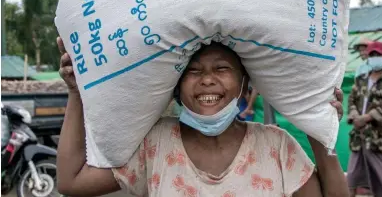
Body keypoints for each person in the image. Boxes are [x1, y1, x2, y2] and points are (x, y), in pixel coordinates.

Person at [56, 37, 348, 197]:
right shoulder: (156, 144)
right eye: (193, 71)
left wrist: (319, 125)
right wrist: (75, 93)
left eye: (222, 69)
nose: (207, 80)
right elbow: (71, 183)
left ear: (245, 85)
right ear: (176, 89)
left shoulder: (275, 146)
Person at [346, 41, 382, 197]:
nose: (375, 58)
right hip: (360, 139)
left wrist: (366, 118)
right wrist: (354, 116)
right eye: (372, 55)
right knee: (351, 181)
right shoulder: (361, 80)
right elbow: (351, 100)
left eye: (379, 55)